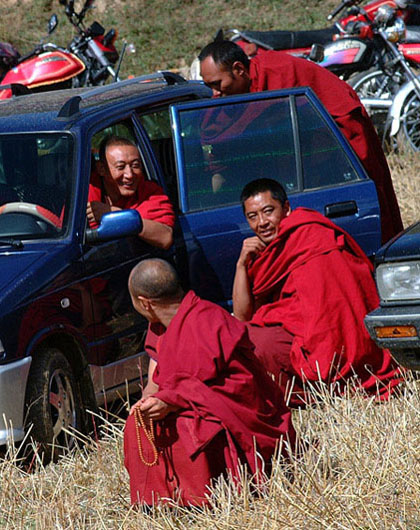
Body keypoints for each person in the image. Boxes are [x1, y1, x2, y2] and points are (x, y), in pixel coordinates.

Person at [124, 258, 295, 507]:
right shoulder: (161, 327)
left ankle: (199, 498)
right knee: (139, 423)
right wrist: (150, 400)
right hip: (200, 403)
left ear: (144, 303)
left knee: (185, 426)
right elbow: (157, 379)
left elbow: (239, 388)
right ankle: (157, 500)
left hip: (238, 415)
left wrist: (172, 402)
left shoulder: (207, 321)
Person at [198, 39, 403, 244]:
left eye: (218, 84)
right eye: (209, 86)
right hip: (297, 161)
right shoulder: (231, 96)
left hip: (337, 145)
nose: (215, 94)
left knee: (376, 208)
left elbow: (333, 117)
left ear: (239, 69)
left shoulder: (279, 71)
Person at [232, 178, 402, 404]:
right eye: (252, 217)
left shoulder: (311, 235)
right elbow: (242, 316)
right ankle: (309, 395)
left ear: (286, 208)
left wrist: (322, 353)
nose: (262, 222)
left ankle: (322, 390)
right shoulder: (264, 254)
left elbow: (332, 305)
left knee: (260, 345)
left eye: (268, 211)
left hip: (330, 338)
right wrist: (241, 264)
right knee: (245, 341)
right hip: (297, 332)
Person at [87, 136, 175, 249]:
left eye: (135, 165)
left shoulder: (150, 192)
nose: (130, 174)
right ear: (101, 169)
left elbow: (165, 237)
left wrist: (117, 216)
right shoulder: (85, 192)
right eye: (120, 167)